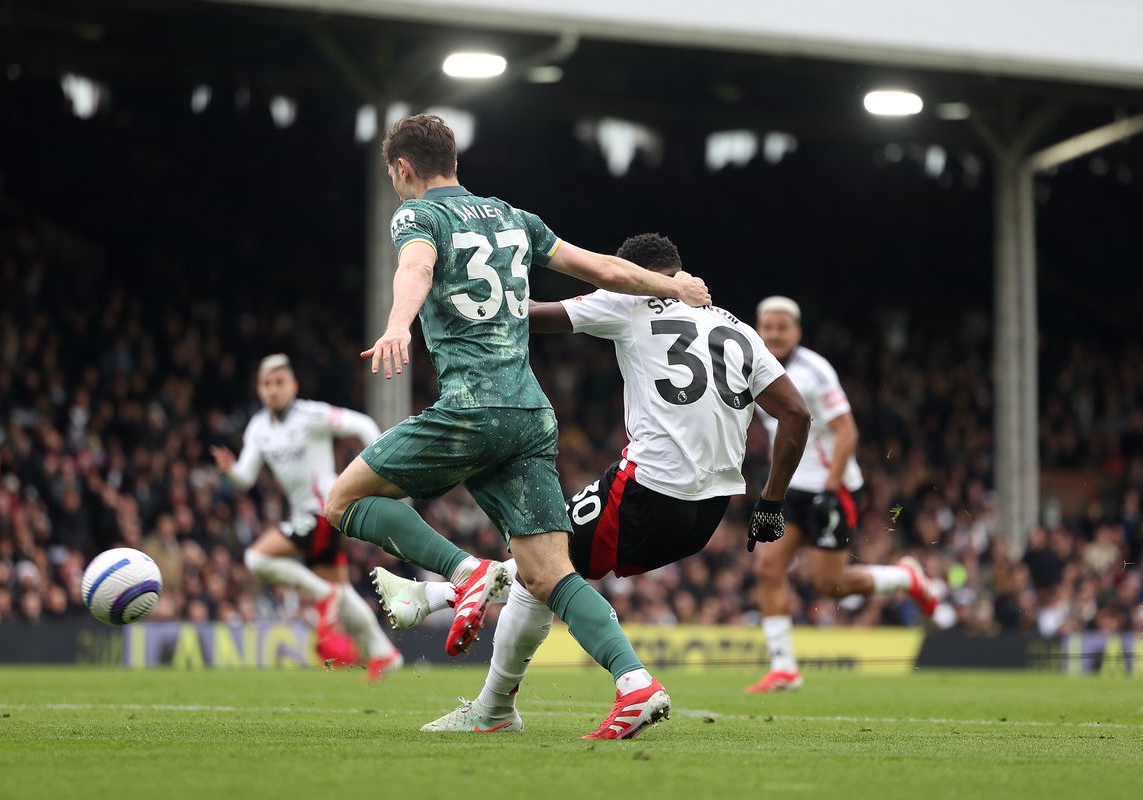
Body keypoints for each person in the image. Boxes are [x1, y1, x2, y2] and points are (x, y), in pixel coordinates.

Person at [322, 116, 713, 739]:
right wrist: (674, 285)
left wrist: (398, 324)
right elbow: (606, 271)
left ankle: (462, 573)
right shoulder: (514, 217)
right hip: (530, 415)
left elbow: (416, 269)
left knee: (343, 500)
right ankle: (633, 683)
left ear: (403, 170)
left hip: (471, 407)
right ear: (454, 157)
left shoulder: (417, 216)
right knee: (548, 573)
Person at [370, 232, 811, 733]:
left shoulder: (630, 301)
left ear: (633, 275)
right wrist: (771, 503)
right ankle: (481, 687)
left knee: (545, 565)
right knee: (542, 577)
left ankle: (472, 643)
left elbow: (532, 316)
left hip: (648, 488)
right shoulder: (737, 327)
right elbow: (795, 414)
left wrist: (457, 294)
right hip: (708, 511)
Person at [747, 297, 939, 693]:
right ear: (759, 328)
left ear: (797, 331)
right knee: (767, 568)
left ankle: (906, 577)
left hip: (829, 490)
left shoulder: (815, 371)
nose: (775, 333)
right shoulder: (754, 365)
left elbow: (847, 432)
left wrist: (830, 491)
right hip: (789, 490)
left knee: (830, 585)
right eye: (768, 326)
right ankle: (784, 669)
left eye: (783, 326)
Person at [210, 354, 402, 681]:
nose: (273, 390)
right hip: (306, 515)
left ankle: (322, 597)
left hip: (325, 510)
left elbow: (363, 425)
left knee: (256, 557)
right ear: (259, 389)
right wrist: (230, 472)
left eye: (279, 383)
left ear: (293, 386)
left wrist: (377, 470)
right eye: (267, 384)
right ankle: (385, 653)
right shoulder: (259, 428)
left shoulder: (311, 415)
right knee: (341, 592)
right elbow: (246, 477)